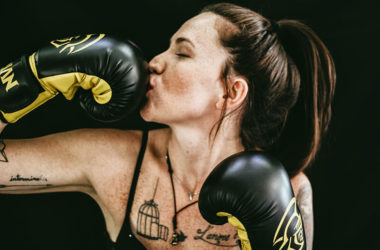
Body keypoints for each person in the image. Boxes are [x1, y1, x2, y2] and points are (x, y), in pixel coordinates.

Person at [0, 2, 335, 250]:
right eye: (166, 48)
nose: (155, 62)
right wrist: (26, 77)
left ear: (231, 91)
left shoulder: (287, 191)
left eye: (182, 53)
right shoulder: (114, 160)